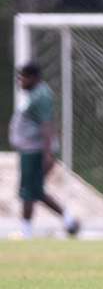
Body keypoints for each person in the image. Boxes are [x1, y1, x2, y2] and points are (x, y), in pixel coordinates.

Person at [8, 62, 80, 238]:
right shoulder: (33, 94)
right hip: (30, 150)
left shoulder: (41, 95)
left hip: (36, 151)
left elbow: (47, 125)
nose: (20, 81)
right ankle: (68, 221)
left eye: (23, 77)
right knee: (34, 189)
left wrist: (47, 154)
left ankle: (27, 232)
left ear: (33, 78)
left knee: (29, 190)